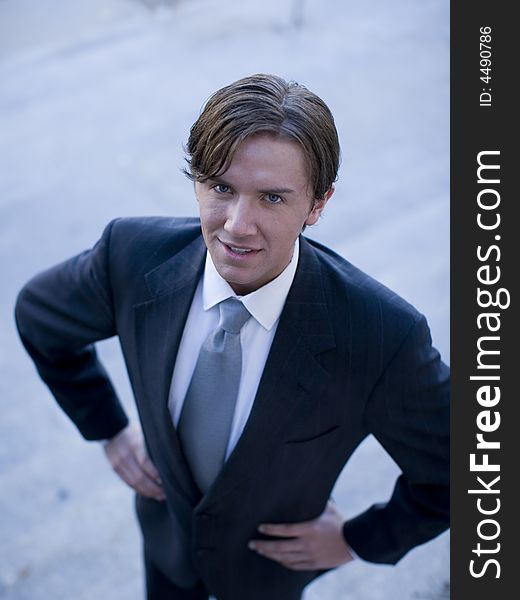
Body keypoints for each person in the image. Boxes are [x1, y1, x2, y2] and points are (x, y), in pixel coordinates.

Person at [15, 73, 449, 600]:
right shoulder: (128, 255)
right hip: (167, 552)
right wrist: (107, 429)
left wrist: (358, 540)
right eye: (221, 187)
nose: (237, 226)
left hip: (268, 578)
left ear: (317, 204)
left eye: (271, 198)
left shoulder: (381, 336)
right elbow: (39, 317)